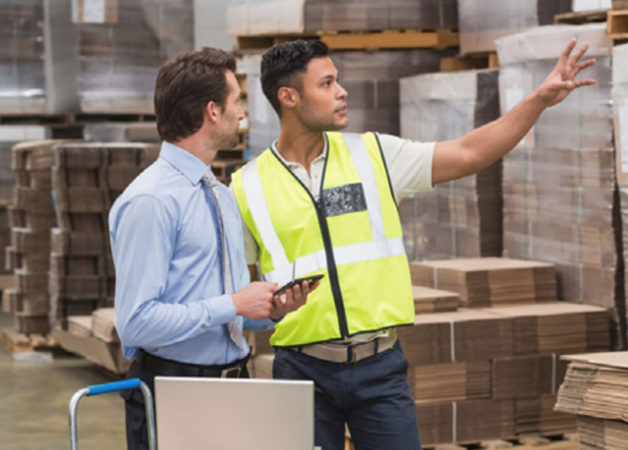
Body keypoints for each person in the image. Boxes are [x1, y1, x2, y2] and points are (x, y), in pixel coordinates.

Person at [230, 39, 596, 450]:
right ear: (289, 97)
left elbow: (470, 152)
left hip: (379, 369)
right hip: (300, 373)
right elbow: (237, 294)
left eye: (338, 81)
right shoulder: (247, 187)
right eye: (327, 83)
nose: (342, 91)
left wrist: (538, 101)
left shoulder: (374, 155)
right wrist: (269, 312)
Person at [109, 47, 317, 449]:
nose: (242, 113)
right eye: (236, 101)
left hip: (234, 386)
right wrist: (233, 304)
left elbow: (230, 309)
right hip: (173, 393)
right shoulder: (151, 202)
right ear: (211, 111)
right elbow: (135, 323)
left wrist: (269, 310)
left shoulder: (220, 197)